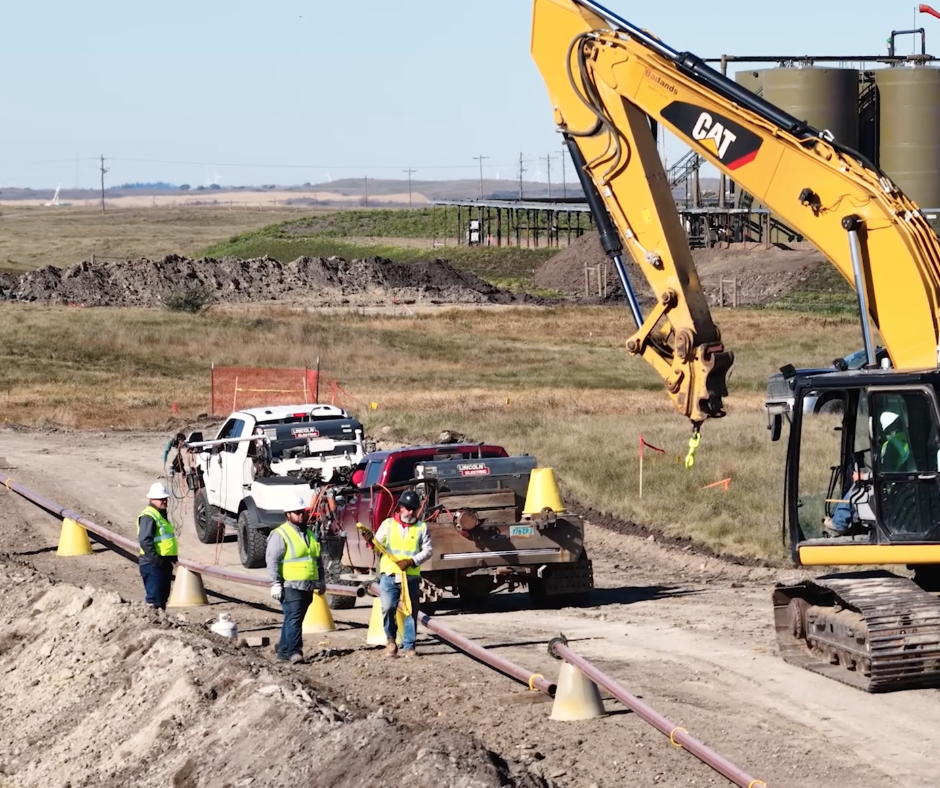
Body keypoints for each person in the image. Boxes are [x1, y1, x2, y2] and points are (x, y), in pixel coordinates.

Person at [364, 490, 432, 658]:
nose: (410, 512)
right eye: (408, 508)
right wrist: (370, 541)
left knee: (410, 612)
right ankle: (391, 641)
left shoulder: (421, 528)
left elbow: (428, 550)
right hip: (389, 575)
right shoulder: (387, 525)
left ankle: (409, 646)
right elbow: (378, 544)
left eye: (414, 509)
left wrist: (411, 562)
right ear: (400, 508)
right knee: (388, 608)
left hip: (410, 576)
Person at [266, 493, 325, 664]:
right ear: (288, 515)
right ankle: (295, 652)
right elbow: (272, 559)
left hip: (307, 584)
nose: (301, 515)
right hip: (290, 584)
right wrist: (275, 583)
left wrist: (321, 580)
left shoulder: (310, 534)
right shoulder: (280, 534)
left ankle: (283, 652)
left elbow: (317, 559)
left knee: (293, 618)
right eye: (297, 512)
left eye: (303, 512)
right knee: (294, 618)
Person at [137, 481, 179, 610]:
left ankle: (160, 623)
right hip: (153, 563)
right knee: (155, 599)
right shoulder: (149, 516)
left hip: (161, 562)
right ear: (152, 499)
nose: (164, 501)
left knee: (161, 597)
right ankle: (155, 624)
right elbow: (145, 540)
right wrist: (156, 560)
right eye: (161, 499)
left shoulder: (159, 514)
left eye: (165, 498)